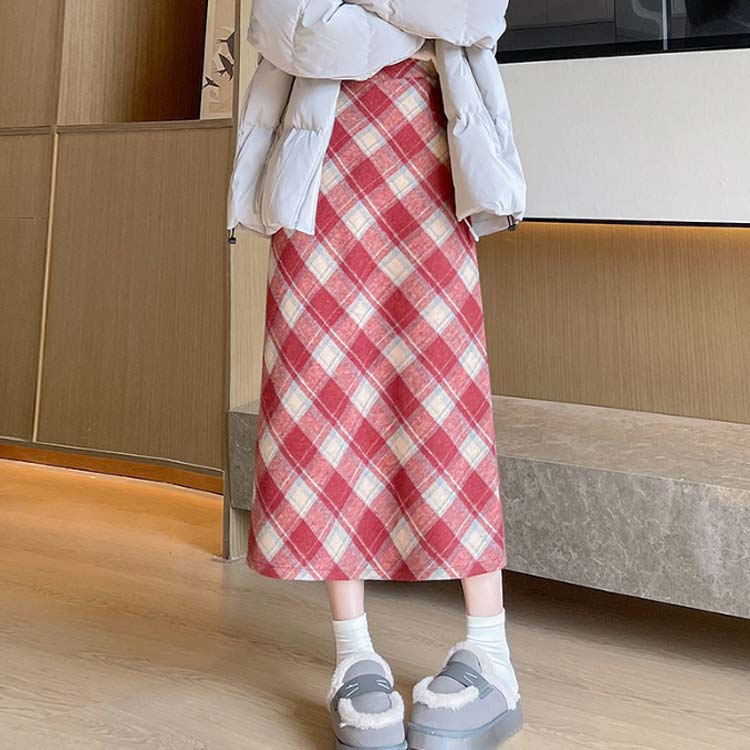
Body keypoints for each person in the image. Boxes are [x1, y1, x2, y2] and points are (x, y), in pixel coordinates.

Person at [226, 3, 527, 749]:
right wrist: (410, 20)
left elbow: (475, 11)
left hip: (434, 155)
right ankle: (353, 653)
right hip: (320, 165)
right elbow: (289, 29)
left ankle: (490, 652)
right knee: (320, 393)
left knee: (446, 391)